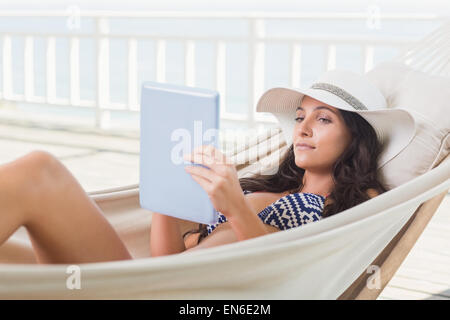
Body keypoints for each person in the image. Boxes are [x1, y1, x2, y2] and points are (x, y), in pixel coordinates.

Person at [0, 69, 415, 264]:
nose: (302, 128)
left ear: (355, 136)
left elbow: (280, 269)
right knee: (17, 255)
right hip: (153, 281)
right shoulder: (266, 187)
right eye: (300, 116)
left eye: (323, 119)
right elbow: (169, 260)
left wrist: (236, 206)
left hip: (158, 294)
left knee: (40, 173)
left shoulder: (360, 204)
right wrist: (163, 195)